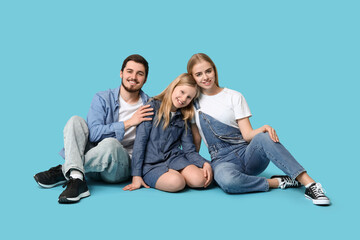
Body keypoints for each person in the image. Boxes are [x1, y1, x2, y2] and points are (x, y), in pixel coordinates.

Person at [186, 53, 330, 206]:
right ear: (192, 77)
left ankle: (311, 185)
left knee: (263, 136)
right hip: (222, 161)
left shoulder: (234, 96)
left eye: (208, 71)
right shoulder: (192, 104)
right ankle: (278, 182)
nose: (205, 77)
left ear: (214, 70)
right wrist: (196, 166)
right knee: (227, 181)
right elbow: (196, 141)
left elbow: (247, 135)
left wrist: (263, 128)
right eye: (199, 74)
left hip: (248, 154)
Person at [34, 54, 154, 203]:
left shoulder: (150, 106)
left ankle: (65, 169)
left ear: (145, 79)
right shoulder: (102, 98)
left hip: (119, 168)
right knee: (75, 120)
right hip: (95, 166)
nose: (133, 77)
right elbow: (94, 134)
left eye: (139, 73)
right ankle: (77, 178)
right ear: (121, 73)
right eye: (129, 71)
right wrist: (128, 122)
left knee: (111, 143)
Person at [123, 73, 213, 192]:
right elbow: (140, 143)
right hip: (151, 164)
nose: (183, 99)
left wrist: (204, 164)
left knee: (200, 180)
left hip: (175, 159)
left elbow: (189, 150)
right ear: (174, 86)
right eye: (182, 92)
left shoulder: (183, 117)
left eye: (189, 97)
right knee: (177, 182)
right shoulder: (151, 107)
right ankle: (174, 175)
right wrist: (136, 176)